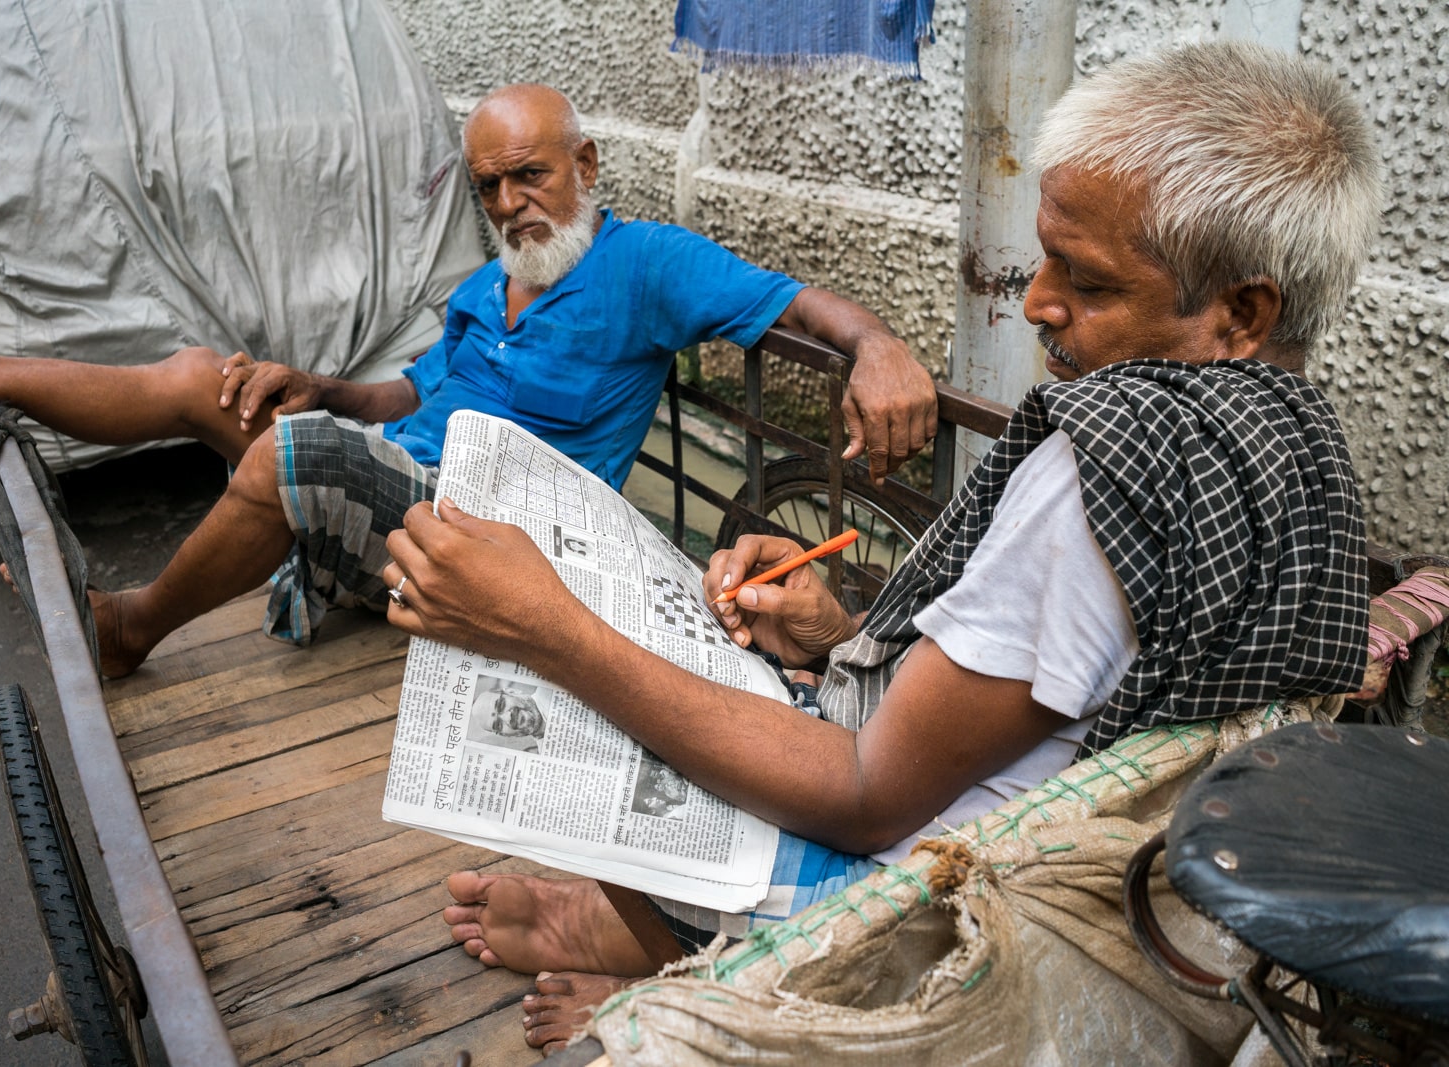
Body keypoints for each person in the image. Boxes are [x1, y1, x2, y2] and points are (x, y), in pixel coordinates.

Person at [371, 42, 1382, 1053]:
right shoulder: (1297, 445)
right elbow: (1056, 691)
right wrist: (840, 632)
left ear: (1240, 313)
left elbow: (863, 796)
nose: (1035, 301)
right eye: (1043, 257)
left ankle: (659, 953)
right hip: (1068, 866)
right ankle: (627, 932)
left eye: (1084, 279)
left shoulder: (1104, 466)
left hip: (918, 914)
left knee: (591, 704)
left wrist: (543, 627)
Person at [0, 82, 935, 678]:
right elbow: (405, 399)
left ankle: (128, 625)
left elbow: (798, 303)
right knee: (208, 380)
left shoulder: (642, 263)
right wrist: (313, 382)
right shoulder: (484, 286)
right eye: (490, 185)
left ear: (587, 168)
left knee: (294, 454)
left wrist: (878, 345)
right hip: (401, 481)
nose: (512, 203)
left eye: (533, 175)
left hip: (491, 540)